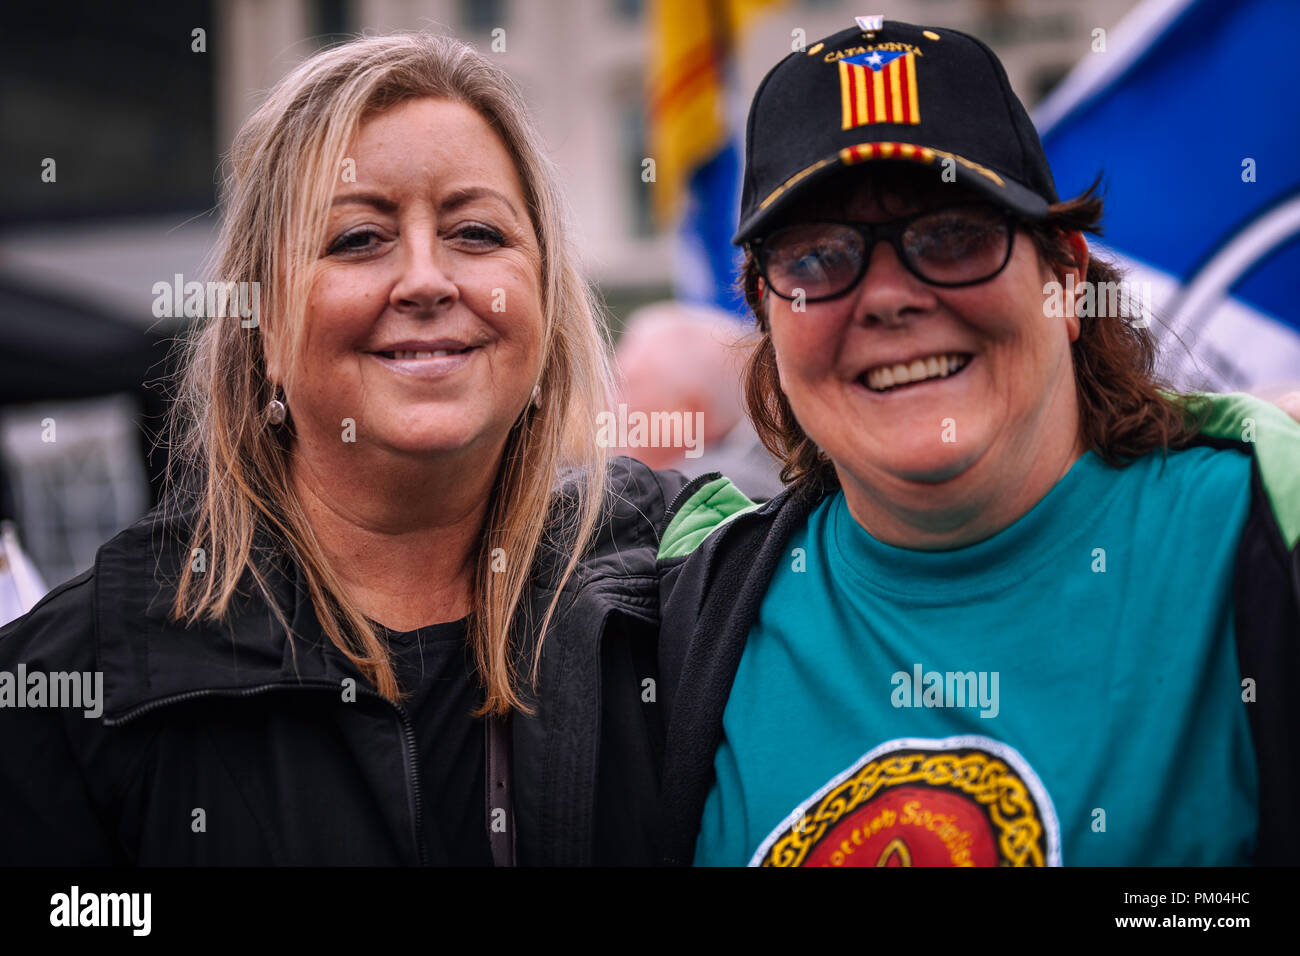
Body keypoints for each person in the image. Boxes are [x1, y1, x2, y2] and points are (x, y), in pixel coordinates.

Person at [0, 33, 685, 866]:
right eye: (359, 239)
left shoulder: (683, 594)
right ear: (264, 336)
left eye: (476, 232)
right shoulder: (73, 684)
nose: (428, 280)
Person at [652, 20, 1300, 866]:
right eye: (816, 258)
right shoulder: (684, 617)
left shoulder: (1258, 538)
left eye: (952, 235)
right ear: (767, 319)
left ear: (1066, 279)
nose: (886, 298)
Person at [613, 301, 784, 499]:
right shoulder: (759, 483)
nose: (610, 401)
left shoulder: (699, 498)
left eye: (626, 385)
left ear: (688, 414)